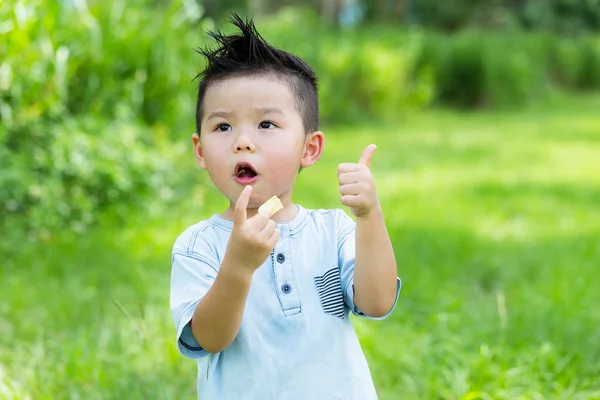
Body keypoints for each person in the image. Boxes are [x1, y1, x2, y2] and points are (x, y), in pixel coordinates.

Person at [169, 13, 401, 400]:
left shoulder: (333, 231)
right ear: (200, 151)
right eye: (223, 127)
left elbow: (376, 303)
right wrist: (238, 267)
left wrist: (369, 216)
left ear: (309, 149)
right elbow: (209, 338)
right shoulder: (198, 246)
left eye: (266, 125)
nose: (242, 141)